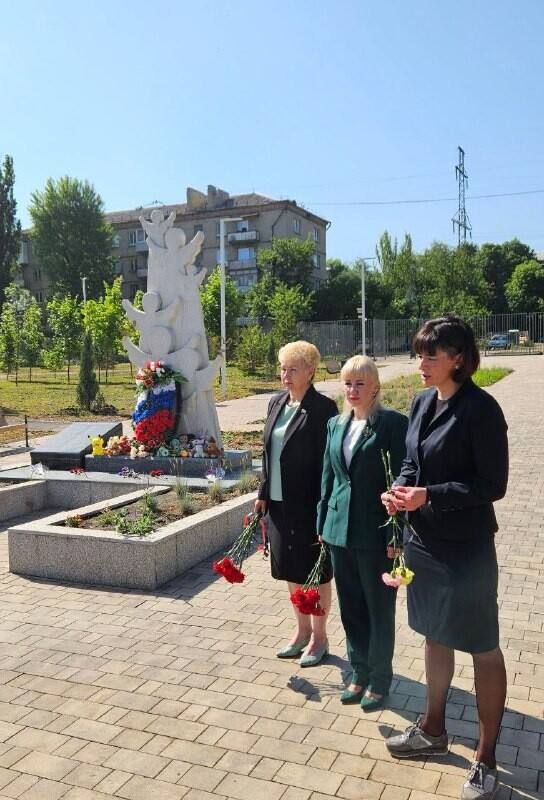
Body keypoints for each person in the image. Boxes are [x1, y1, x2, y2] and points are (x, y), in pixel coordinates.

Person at [382, 315, 508, 800]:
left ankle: (486, 758)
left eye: (430, 356)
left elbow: (492, 485)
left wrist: (428, 495)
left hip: (466, 550)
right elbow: (411, 461)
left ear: (458, 358)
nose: (421, 363)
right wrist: (400, 490)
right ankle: (433, 729)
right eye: (418, 354)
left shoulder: (481, 409)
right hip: (425, 544)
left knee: (481, 645)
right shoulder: (421, 402)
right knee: (434, 635)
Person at [317, 355, 408, 710]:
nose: (352, 390)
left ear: (375, 388)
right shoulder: (335, 424)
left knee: (379, 609)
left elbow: (402, 480)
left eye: (360, 384)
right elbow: (328, 477)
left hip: (376, 533)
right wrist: (323, 523)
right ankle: (359, 671)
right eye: (347, 383)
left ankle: (380, 678)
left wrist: (395, 535)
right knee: (351, 607)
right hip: (339, 531)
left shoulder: (392, 425)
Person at [255, 341, 337, 667]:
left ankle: (320, 637)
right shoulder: (276, 403)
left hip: (309, 504)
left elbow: (329, 462)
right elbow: (267, 453)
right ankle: (302, 631)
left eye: (293, 369)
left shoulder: (323, 408)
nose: (285, 375)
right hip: (278, 503)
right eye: (283, 368)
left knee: (316, 571)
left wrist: (325, 507)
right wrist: (263, 493)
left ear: (310, 372)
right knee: (291, 567)